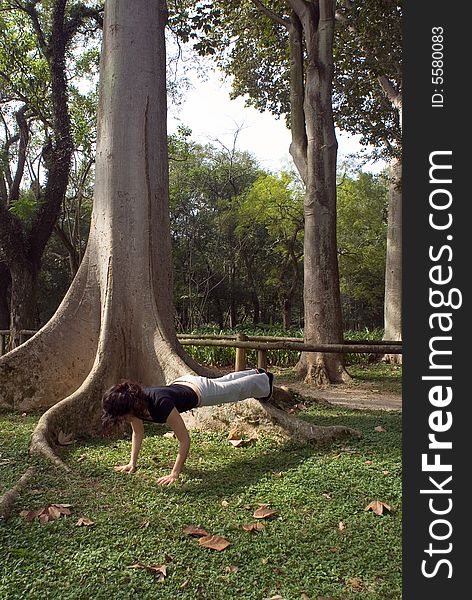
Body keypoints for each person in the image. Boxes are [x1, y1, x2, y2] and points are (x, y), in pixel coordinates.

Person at [101, 368, 274, 485]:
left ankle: (266, 380)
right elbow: (138, 433)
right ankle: (255, 372)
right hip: (183, 383)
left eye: (121, 416)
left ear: (128, 408)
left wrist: (175, 473)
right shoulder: (135, 406)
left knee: (234, 390)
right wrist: (132, 463)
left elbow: (184, 440)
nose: (122, 419)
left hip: (200, 391)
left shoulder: (160, 404)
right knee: (224, 382)